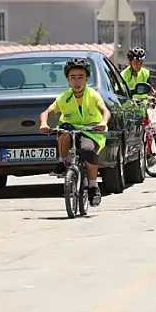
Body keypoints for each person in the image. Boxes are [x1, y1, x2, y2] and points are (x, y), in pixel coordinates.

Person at [39, 58, 111, 207]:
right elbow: (46, 112)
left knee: (87, 151)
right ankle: (62, 162)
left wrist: (103, 123)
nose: (77, 81)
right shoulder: (64, 98)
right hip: (72, 131)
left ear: (87, 79)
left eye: (81, 77)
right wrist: (44, 124)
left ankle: (92, 186)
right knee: (63, 130)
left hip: (92, 132)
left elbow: (105, 111)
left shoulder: (93, 95)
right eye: (73, 77)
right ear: (67, 79)